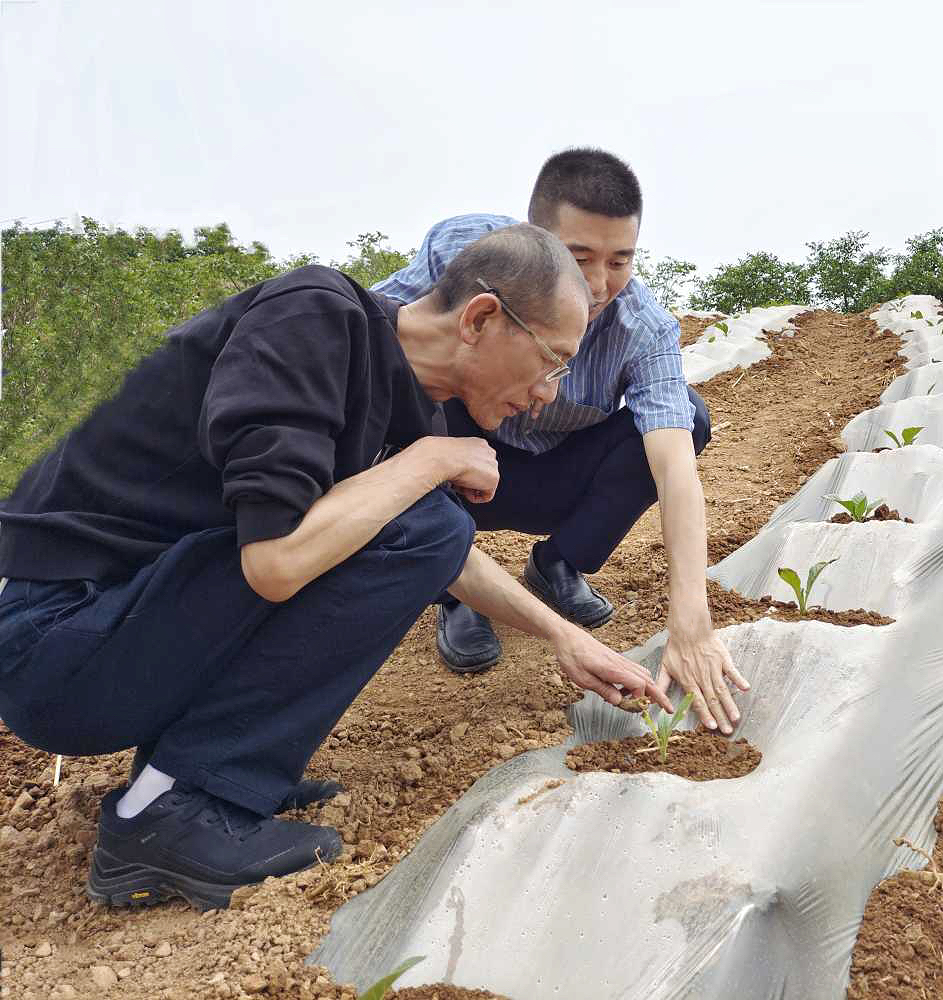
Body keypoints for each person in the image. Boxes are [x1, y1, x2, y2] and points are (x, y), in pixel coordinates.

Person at [0, 224, 671, 911]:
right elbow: (275, 562)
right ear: (480, 319)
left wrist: (566, 638)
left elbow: (441, 555)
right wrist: (431, 463)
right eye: (552, 362)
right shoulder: (314, 317)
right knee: (418, 518)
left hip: (121, 631)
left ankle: (208, 774)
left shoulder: (407, 405)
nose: (548, 394)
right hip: (54, 645)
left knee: (422, 524)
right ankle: (167, 807)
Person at [377, 148, 750, 736]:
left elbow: (675, 467)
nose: (600, 284)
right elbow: (385, 331)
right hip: (456, 463)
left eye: (620, 260)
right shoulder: (468, 253)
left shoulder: (642, 327)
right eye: (580, 258)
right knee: (433, 386)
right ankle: (457, 589)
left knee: (690, 418)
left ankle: (558, 563)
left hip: (548, 475)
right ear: (535, 239)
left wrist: (692, 619)